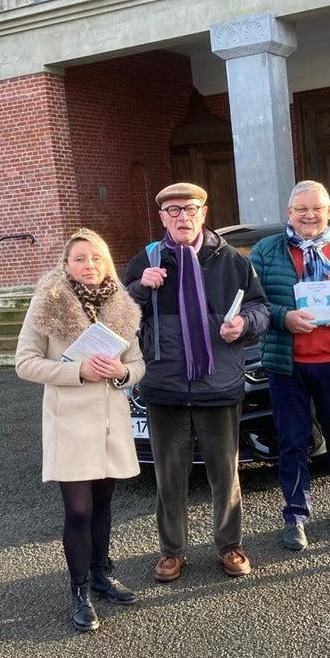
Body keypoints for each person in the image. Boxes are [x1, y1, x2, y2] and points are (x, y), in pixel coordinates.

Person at [124, 182, 269, 582]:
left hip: (218, 385)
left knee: (225, 474)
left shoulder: (232, 260)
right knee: (169, 477)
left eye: (190, 209)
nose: (182, 216)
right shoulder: (146, 260)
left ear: (203, 213)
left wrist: (244, 324)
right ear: (162, 217)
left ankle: (230, 545)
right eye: (173, 210)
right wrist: (140, 287)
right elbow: (119, 315)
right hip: (164, 386)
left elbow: (260, 308)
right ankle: (172, 551)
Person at [15, 228, 146, 632]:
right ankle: (80, 590)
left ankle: (102, 573)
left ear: (107, 263)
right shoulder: (48, 302)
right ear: (66, 265)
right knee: (78, 509)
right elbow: (24, 363)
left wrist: (123, 372)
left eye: (96, 257)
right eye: (80, 258)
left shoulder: (122, 305)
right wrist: (77, 371)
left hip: (109, 423)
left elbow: (138, 364)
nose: (89, 265)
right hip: (69, 424)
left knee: (103, 504)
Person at [249, 180, 330, 551]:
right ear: (289, 212)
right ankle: (295, 515)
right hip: (286, 365)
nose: (309, 215)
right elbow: (252, 303)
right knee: (292, 442)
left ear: (328, 211)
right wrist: (284, 317)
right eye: (301, 209)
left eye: (316, 208)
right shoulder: (266, 251)